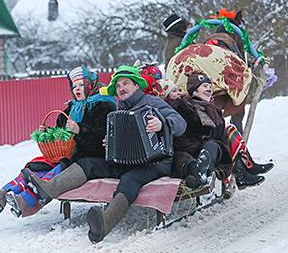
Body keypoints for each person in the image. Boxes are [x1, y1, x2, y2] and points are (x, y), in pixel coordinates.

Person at [22, 65, 187, 243]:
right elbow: (115, 137)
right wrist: (110, 142)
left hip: (155, 162)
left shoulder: (152, 103)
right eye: (118, 86)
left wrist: (162, 124)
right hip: (126, 162)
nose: (121, 88)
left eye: (126, 84)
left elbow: (180, 123)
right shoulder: (117, 110)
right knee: (88, 164)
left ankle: (105, 222)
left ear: (136, 86)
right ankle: (49, 189)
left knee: (130, 180)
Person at [0, 66, 116, 217]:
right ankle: (3, 193)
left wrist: (80, 130)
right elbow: (61, 134)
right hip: (68, 154)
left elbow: (102, 140)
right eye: (74, 86)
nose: (77, 89)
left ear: (90, 85)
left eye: (81, 85)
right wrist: (48, 133)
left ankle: (23, 200)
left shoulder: (104, 107)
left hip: (89, 158)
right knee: (37, 164)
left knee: (57, 168)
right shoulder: (71, 109)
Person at [168, 73, 267, 190]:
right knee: (217, 140)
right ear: (194, 91)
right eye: (204, 86)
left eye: (210, 86)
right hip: (191, 150)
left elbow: (219, 135)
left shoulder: (213, 109)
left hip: (210, 150)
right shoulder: (185, 106)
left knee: (221, 139)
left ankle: (242, 170)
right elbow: (188, 133)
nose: (209, 89)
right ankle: (236, 172)